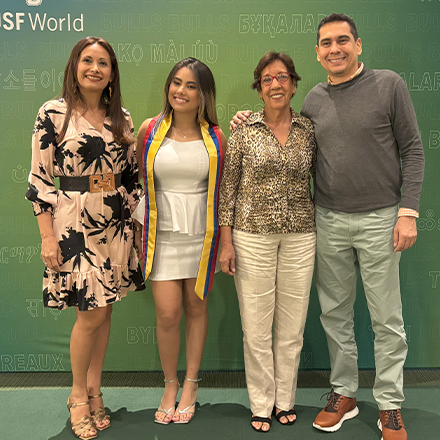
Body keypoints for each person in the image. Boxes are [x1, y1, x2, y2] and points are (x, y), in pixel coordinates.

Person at [231, 13, 424, 440]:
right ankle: (344, 393)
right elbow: (284, 135)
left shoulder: (389, 84)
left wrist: (408, 211)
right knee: (335, 316)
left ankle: (390, 404)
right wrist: (246, 119)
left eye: (342, 41)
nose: (334, 49)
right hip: (327, 220)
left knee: (386, 318)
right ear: (317, 53)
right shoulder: (314, 100)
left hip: (381, 219)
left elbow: (413, 150)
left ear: (358, 44)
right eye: (325, 43)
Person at [25, 36, 145, 440]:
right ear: (75, 66)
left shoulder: (122, 118)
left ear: (112, 73)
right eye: (88, 60)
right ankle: (77, 394)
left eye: (104, 63)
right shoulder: (52, 113)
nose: (95, 68)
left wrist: (137, 223)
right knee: (89, 312)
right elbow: (40, 180)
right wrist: (47, 237)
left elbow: (130, 176)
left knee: (105, 309)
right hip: (73, 223)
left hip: (113, 222)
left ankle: (95, 389)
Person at [219, 52, 316, 433]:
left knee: (292, 327)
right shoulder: (244, 131)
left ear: (294, 84)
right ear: (258, 88)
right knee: (256, 327)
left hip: (300, 236)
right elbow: (227, 191)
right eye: (267, 79)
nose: (275, 84)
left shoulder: (310, 129)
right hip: (250, 236)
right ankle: (261, 403)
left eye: (282, 77)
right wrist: (226, 243)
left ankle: (285, 401)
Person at [135, 57, 226, 425]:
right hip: (161, 236)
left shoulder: (217, 136)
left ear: (203, 93)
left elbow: (225, 190)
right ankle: (169, 384)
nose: (181, 91)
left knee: (196, 309)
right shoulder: (149, 129)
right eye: (176, 82)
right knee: (168, 313)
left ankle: (191, 384)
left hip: (201, 238)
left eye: (191, 85)